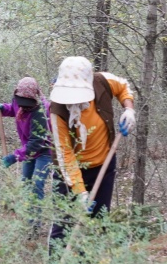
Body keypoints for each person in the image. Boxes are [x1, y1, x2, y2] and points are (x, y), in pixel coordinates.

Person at [46, 56, 137, 239]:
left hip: (104, 165)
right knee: (63, 224)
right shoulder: (57, 110)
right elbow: (64, 154)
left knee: (99, 221)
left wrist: (129, 109)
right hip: (70, 172)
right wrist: (80, 191)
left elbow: (124, 87)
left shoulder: (102, 81)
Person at [0, 77, 57, 215]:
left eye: (26, 104)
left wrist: (14, 157)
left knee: (36, 185)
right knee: (26, 184)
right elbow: (15, 109)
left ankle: (34, 224)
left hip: (44, 150)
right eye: (21, 102)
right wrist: (3, 108)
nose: (23, 106)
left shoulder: (41, 112)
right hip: (29, 150)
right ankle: (28, 218)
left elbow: (35, 143)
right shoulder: (19, 99)